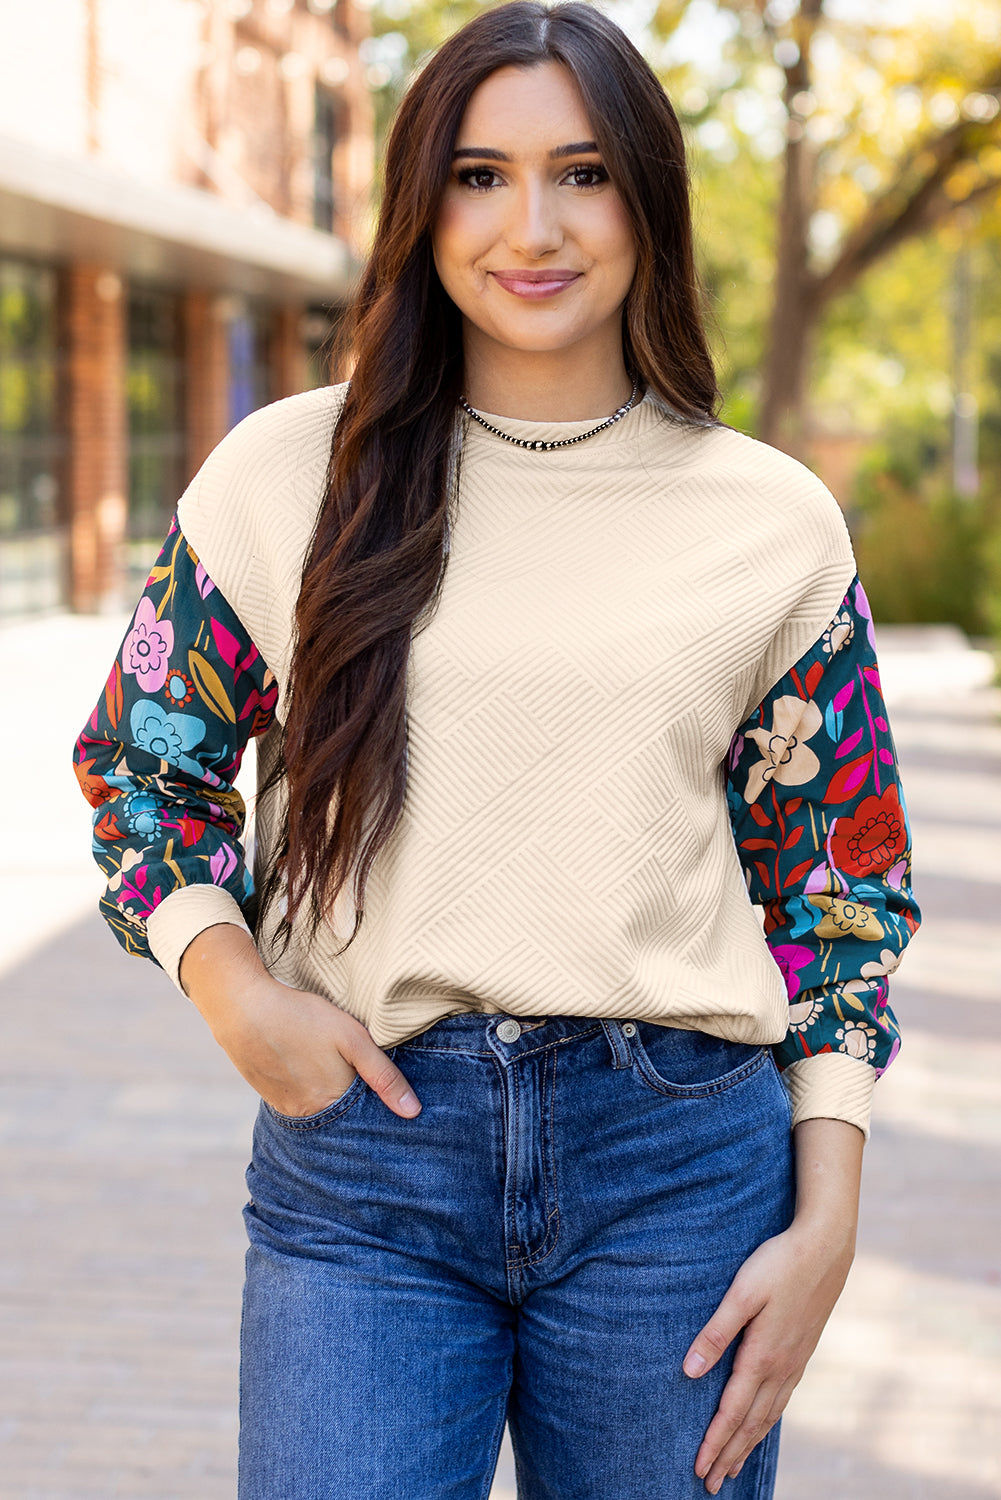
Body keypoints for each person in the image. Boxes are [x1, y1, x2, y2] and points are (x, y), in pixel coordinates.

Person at [73, 4, 919, 1496]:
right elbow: (143, 769)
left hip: (679, 1176)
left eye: (580, 173)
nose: (530, 225)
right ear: (420, 204)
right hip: (366, 1169)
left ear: (646, 201)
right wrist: (239, 996)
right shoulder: (284, 475)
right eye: (478, 175)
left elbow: (838, 894)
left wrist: (824, 1221)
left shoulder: (769, 518)